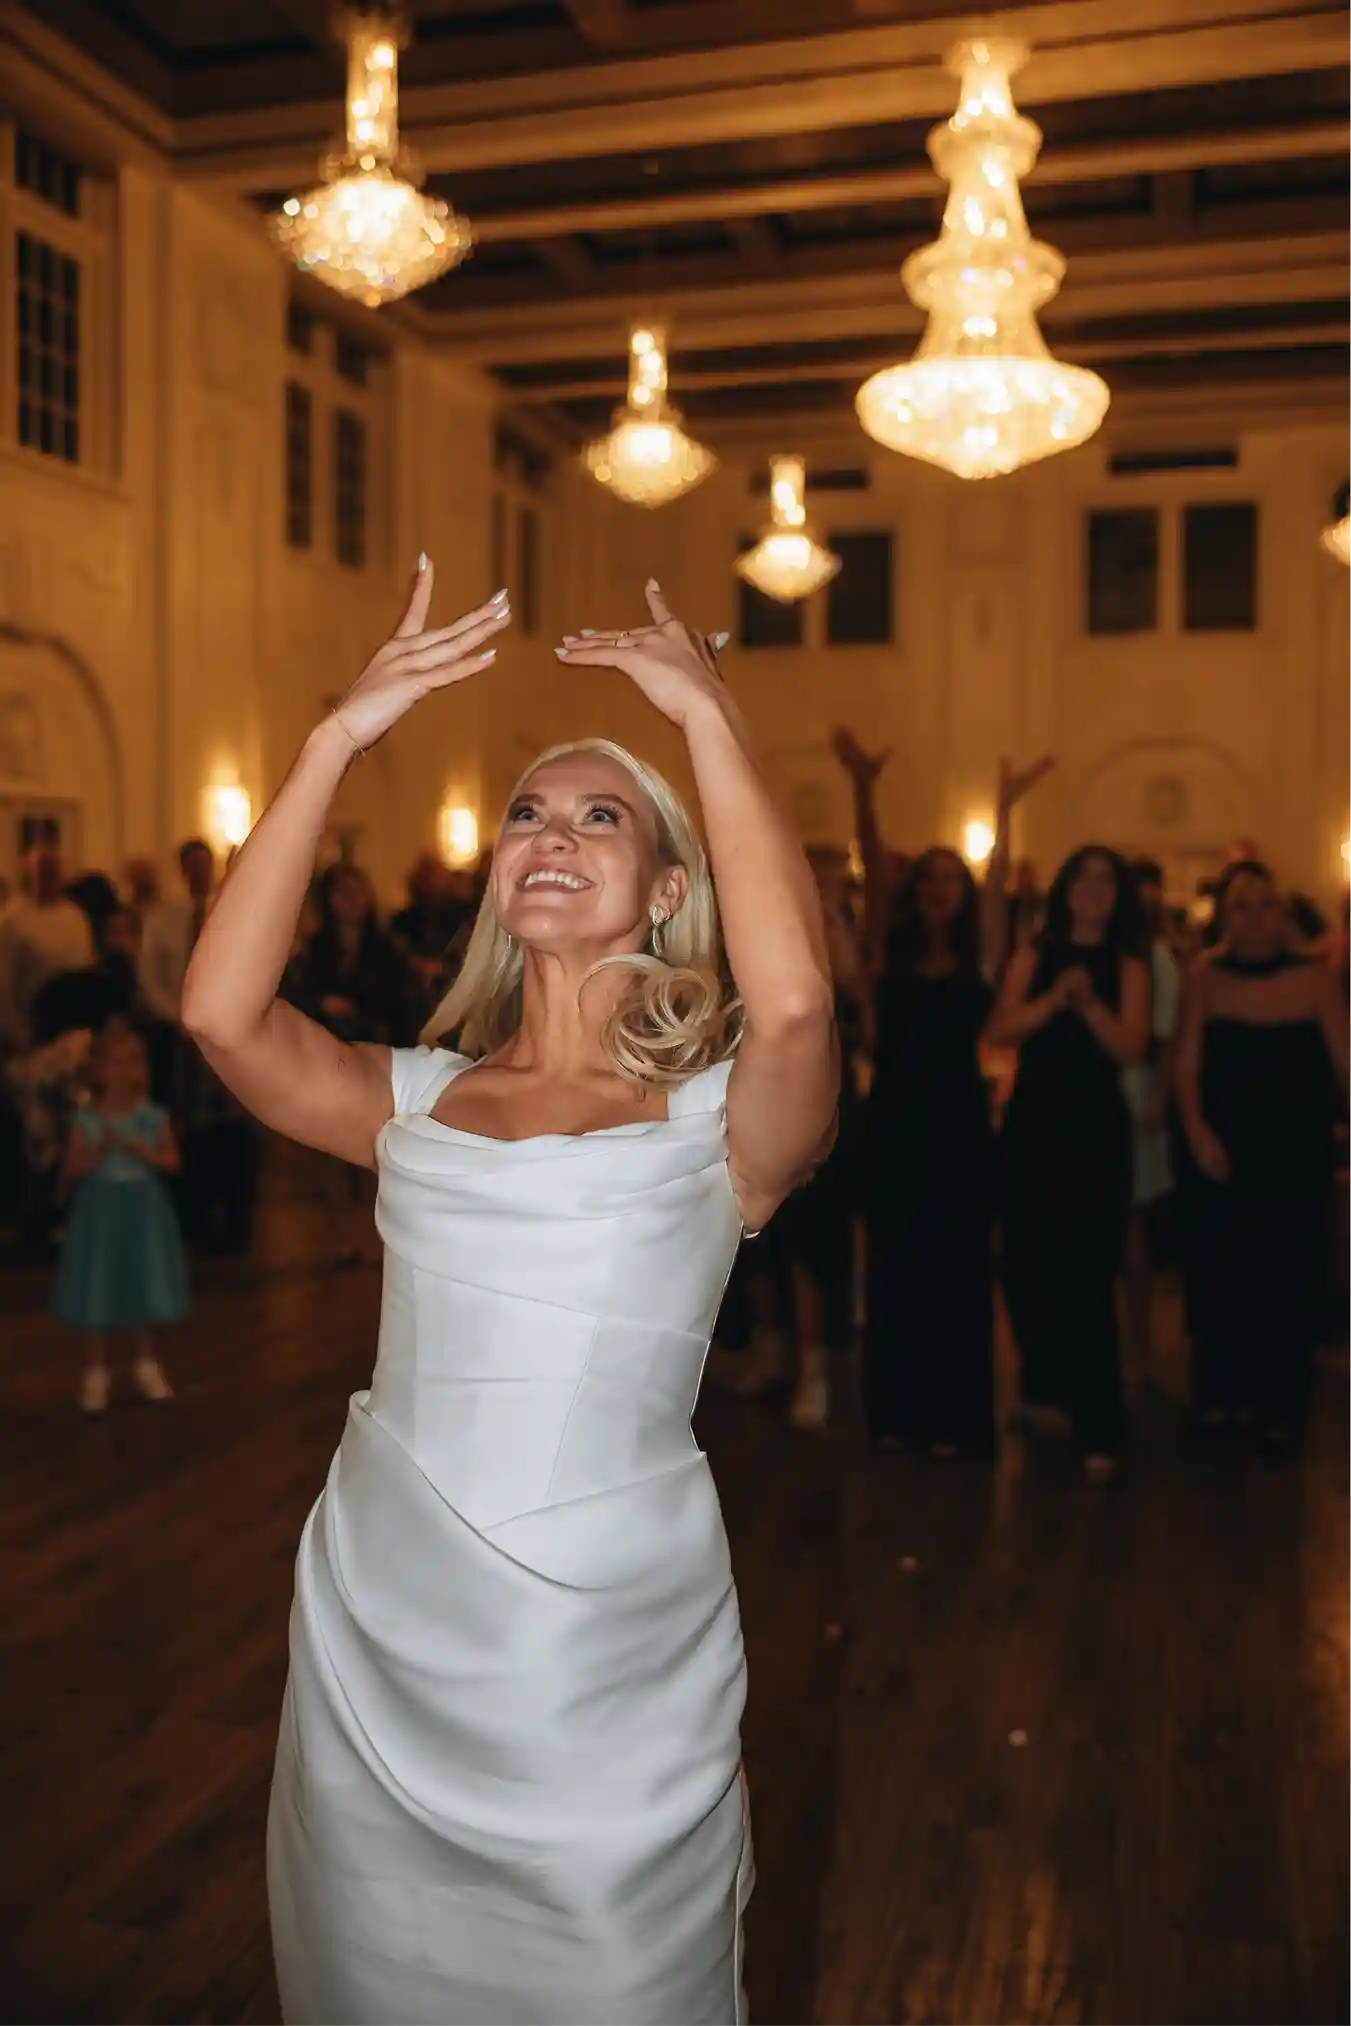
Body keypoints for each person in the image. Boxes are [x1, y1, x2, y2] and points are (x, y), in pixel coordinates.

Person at [180, 563, 837, 2025]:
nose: (552, 832)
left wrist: (700, 710)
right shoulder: (413, 1097)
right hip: (381, 1614)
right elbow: (218, 1014)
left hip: (600, 1645)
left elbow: (792, 1000)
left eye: (601, 814)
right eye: (529, 813)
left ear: (669, 890)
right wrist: (334, 741)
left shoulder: (718, 1127)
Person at [841, 741, 1051, 1457]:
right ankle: (898, 1416)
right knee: (897, 1266)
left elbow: (995, 891)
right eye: (926, 878)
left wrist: (1002, 807)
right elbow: (871, 876)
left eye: (946, 878)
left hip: (958, 1124)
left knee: (958, 1272)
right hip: (896, 1122)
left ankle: (956, 1422)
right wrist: (863, 790)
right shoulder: (886, 952)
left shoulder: (977, 958)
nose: (936, 888)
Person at [1175, 861, 1351, 1453]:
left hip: (1294, 1150)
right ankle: (1220, 1401)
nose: (1254, 917)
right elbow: (1187, 1065)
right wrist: (1197, 1131)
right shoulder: (1205, 976)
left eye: (1265, 905)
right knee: (1221, 1275)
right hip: (1223, 1148)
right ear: (1225, 916)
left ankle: (1279, 1408)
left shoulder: (1314, 979)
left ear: (1283, 913)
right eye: (1242, 906)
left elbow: (1346, 1064)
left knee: (1287, 1276)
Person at [990, 846, 1150, 1482]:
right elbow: (1001, 1028)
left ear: (1119, 894)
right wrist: (1057, 997)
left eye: (1106, 879)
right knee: (1026, 1265)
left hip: (1095, 1134)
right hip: (1033, 1126)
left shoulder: (1129, 965)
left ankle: (1099, 1425)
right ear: (1065, 889)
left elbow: (1131, 1046)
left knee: (1088, 1273)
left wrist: (1089, 1007)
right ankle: (1044, 1392)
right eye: (1082, 877)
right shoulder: (1035, 954)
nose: (1093, 889)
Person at [282, 862, 414, 1265]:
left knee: (382, 1150)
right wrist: (324, 1004)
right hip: (329, 1057)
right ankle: (343, 1235)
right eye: (342, 893)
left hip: (379, 1055)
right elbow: (294, 997)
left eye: (357, 891)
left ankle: (383, 1235)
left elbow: (404, 1000)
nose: (351, 901)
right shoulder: (315, 950)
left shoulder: (387, 946)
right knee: (333, 1151)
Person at [52, 1017, 185, 1415]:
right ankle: (96, 1370)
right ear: (97, 1070)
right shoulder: (87, 1120)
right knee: (100, 1285)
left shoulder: (151, 1116)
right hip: (100, 1212)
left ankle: (147, 1363)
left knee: (141, 1282)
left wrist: (138, 1149)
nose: (125, 1071)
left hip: (143, 1210)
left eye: (133, 1061)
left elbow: (172, 1161)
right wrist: (98, 1151)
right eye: (116, 1062)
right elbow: (71, 1168)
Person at [1122, 857, 1182, 1387]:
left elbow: (1166, 1039)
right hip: (1101, 1097)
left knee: (1134, 1226)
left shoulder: (1157, 957)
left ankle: (1139, 1346)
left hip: (1138, 1094)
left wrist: (1159, 1098)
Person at [0, 844, 95, 1048]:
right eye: (43, 871)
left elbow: (86, 965)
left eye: (54, 872)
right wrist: (14, 1030)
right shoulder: (13, 920)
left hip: (74, 1021)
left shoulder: (75, 916)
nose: (49, 877)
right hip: (32, 1024)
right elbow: (5, 982)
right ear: (29, 874)